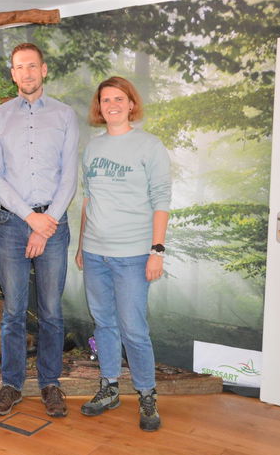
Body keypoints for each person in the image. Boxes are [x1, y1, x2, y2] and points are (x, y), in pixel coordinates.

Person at [0, 43, 79, 418]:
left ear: (44, 70)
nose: (26, 73)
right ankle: (10, 385)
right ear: (13, 73)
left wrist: (46, 224)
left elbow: (69, 176)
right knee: (13, 312)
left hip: (54, 225)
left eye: (32, 66)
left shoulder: (65, 115)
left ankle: (50, 384)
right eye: (19, 67)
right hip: (13, 224)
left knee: (52, 312)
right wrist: (29, 218)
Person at [75, 76, 171, 431]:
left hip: (133, 254)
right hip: (96, 253)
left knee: (134, 329)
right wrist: (83, 245)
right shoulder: (93, 148)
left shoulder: (149, 146)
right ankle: (110, 387)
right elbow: (88, 199)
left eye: (118, 98)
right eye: (105, 100)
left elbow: (162, 200)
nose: (111, 105)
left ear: (131, 103)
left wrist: (156, 251)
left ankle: (147, 394)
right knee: (104, 324)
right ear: (98, 107)